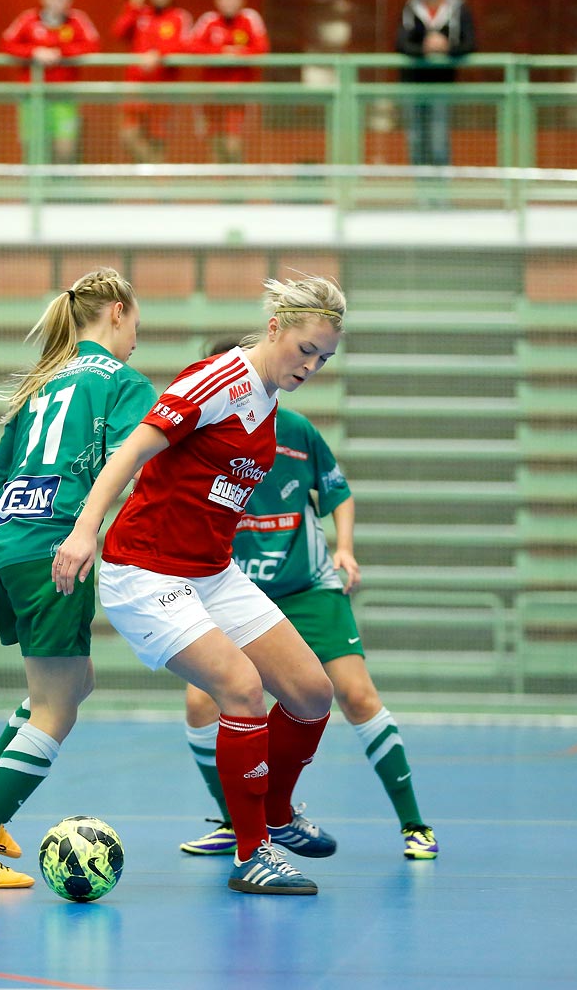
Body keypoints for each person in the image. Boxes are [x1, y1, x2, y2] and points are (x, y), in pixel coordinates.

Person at [52, 277, 347, 896]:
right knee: (239, 688)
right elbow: (131, 451)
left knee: (313, 694)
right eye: (305, 350)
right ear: (275, 329)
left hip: (211, 572)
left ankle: (274, 813)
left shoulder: (269, 401)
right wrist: (85, 530)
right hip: (145, 571)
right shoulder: (220, 379)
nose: (312, 366)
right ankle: (252, 852)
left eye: (324, 357)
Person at [177, 339, 438, 861]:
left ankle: (414, 824)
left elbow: (337, 492)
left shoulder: (296, 432)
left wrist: (344, 548)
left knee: (355, 694)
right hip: (234, 590)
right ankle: (237, 821)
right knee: (200, 703)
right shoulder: (199, 434)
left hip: (307, 588)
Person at [0, 268, 155, 889]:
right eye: (137, 323)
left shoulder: (39, 384)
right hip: (57, 544)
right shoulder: (120, 381)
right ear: (116, 311)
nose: (137, 338)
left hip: (7, 542)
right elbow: (134, 463)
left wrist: (15, 539)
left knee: (70, 682)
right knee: (58, 709)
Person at [0, 0, 101, 165]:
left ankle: (60, 189)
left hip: (64, 96)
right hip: (33, 96)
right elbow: (6, 44)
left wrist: (61, 53)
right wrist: (34, 52)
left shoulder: (78, 19)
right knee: (34, 147)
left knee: (65, 149)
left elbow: (93, 45)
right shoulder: (28, 19)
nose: (60, 1)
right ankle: (36, 191)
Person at [395, 0, 476, 170]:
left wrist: (446, 47)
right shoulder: (410, 7)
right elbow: (401, 44)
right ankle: (421, 195)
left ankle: (441, 195)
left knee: (439, 139)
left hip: (442, 85)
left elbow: (470, 43)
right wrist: (424, 48)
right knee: (416, 139)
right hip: (413, 85)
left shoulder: (458, 7)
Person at [187, 0, 269, 164]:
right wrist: (222, 52)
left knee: (233, 143)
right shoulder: (208, 19)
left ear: (242, 0)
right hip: (211, 95)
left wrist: (238, 54)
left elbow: (261, 48)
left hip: (238, 95)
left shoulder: (250, 18)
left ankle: (237, 185)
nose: (229, 1)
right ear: (217, 0)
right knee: (215, 141)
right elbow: (192, 45)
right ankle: (219, 186)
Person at [112, 0, 191, 163]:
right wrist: (134, 3)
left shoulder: (179, 17)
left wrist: (159, 54)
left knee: (158, 141)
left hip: (163, 92)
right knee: (128, 136)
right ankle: (157, 175)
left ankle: (153, 184)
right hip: (135, 89)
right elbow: (119, 32)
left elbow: (186, 45)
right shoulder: (140, 13)